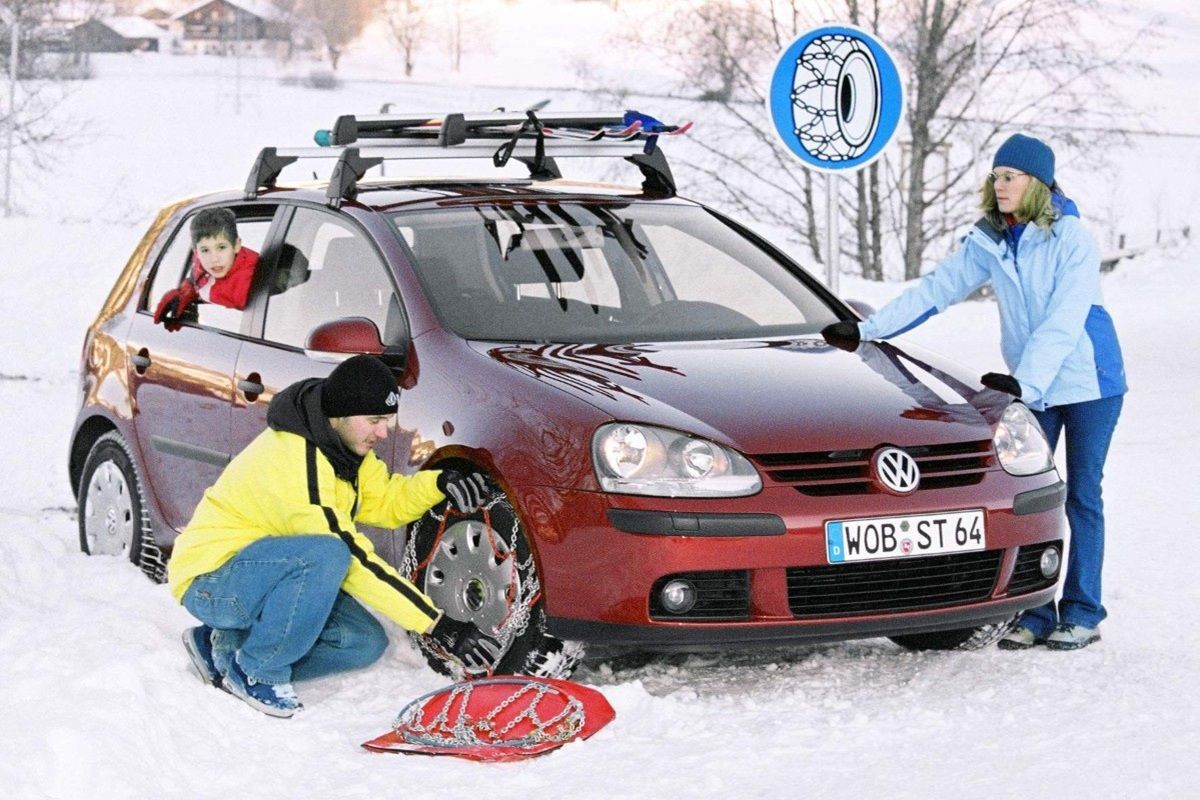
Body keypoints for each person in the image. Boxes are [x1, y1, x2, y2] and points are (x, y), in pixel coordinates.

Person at [822, 133, 1126, 652]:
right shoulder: (991, 237)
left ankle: (1083, 611)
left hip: (1089, 380)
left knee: (1080, 494)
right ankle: (1034, 612)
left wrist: (1025, 384)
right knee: (1029, 494)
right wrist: (867, 330)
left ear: (1038, 183)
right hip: (1032, 384)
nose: (999, 184)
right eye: (996, 175)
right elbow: (937, 289)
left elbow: (1064, 320)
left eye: (1011, 177)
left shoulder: (1071, 237)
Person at [166, 354, 499, 717]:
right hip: (212, 580)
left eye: (386, 420)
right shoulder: (296, 462)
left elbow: (387, 502)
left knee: (362, 643)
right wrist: (438, 624)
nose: (383, 432)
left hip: (260, 577)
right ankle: (256, 670)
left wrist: (440, 483)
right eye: (374, 421)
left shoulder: (342, 449)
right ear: (339, 415)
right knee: (329, 554)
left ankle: (226, 646)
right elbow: (352, 560)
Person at [153, 207, 259, 330]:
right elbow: (196, 281)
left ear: (236, 245)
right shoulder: (203, 266)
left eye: (221, 247)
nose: (214, 259)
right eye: (205, 250)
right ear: (196, 252)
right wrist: (184, 295)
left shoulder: (254, 281)